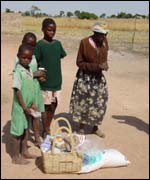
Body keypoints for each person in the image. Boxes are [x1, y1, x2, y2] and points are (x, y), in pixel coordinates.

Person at [69, 24, 109, 137]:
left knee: (99, 103)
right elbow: (79, 63)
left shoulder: (105, 42)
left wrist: (105, 65)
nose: (104, 36)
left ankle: (94, 127)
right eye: (102, 34)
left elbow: (104, 58)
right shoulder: (84, 43)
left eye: (105, 34)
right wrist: (97, 66)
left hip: (98, 78)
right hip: (85, 78)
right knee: (84, 102)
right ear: (95, 34)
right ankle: (81, 127)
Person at [34, 18, 67, 138]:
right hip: (45, 83)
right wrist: (40, 73)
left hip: (57, 82)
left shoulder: (57, 44)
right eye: (49, 30)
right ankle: (46, 129)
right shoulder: (40, 45)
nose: (51, 32)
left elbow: (62, 55)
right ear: (43, 29)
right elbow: (35, 62)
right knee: (45, 106)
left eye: (54, 30)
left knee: (54, 105)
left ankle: (47, 126)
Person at [13, 32, 46, 147]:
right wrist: (35, 74)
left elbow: (33, 72)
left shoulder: (33, 56)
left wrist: (40, 76)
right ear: (23, 43)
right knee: (26, 117)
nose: (31, 48)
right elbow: (19, 76)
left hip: (34, 88)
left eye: (33, 46)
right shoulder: (19, 59)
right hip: (25, 90)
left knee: (35, 113)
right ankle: (23, 143)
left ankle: (37, 137)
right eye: (28, 44)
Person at [10, 44, 37, 164]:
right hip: (20, 108)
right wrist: (24, 107)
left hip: (27, 107)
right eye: (23, 57)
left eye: (29, 58)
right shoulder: (18, 72)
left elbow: (30, 88)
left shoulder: (29, 70)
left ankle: (24, 151)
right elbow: (18, 91)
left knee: (26, 130)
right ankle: (15, 157)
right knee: (18, 133)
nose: (26, 60)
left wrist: (32, 103)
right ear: (18, 56)